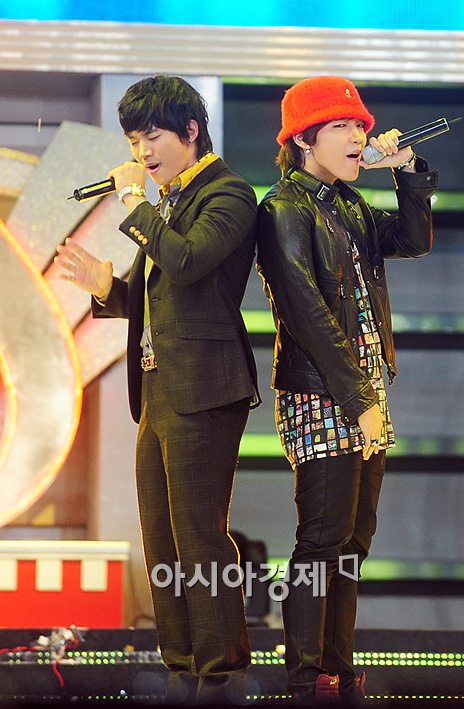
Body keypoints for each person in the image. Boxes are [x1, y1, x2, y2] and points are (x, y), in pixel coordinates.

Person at [55, 75, 259, 705]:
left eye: (151, 137)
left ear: (191, 130)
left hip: (206, 387)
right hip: (159, 387)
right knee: (161, 538)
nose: (141, 151)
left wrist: (133, 202)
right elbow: (163, 297)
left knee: (199, 534)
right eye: (133, 141)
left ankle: (220, 673)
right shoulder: (168, 200)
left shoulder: (228, 193)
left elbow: (190, 263)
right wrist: (106, 289)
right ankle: (180, 666)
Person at [256, 76, 438, 703]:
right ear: (305, 139)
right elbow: (305, 313)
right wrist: (359, 401)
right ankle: (305, 678)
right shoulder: (283, 209)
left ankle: (338, 669)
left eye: (361, 125)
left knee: (355, 541)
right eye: (342, 126)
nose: (359, 135)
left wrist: (406, 171)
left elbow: (413, 239)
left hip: (364, 389)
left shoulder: (349, 204)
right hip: (321, 392)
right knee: (322, 538)